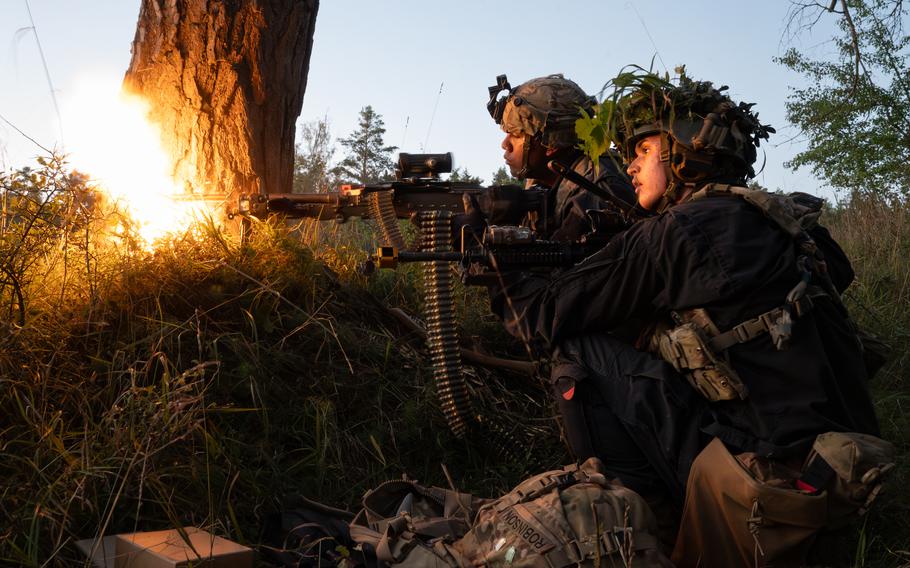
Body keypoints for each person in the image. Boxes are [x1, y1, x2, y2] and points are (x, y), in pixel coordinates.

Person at [486, 68, 890, 566]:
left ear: (683, 151)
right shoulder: (789, 221)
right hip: (836, 471)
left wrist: (495, 262)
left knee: (578, 349)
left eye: (642, 150)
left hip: (763, 486)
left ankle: (638, 525)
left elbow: (539, 320)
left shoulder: (678, 231)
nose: (629, 166)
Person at [480, 73, 635, 242]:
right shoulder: (543, 190)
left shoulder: (597, 191)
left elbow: (563, 266)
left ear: (551, 143)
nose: (505, 144)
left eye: (516, 134)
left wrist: (493, 239)